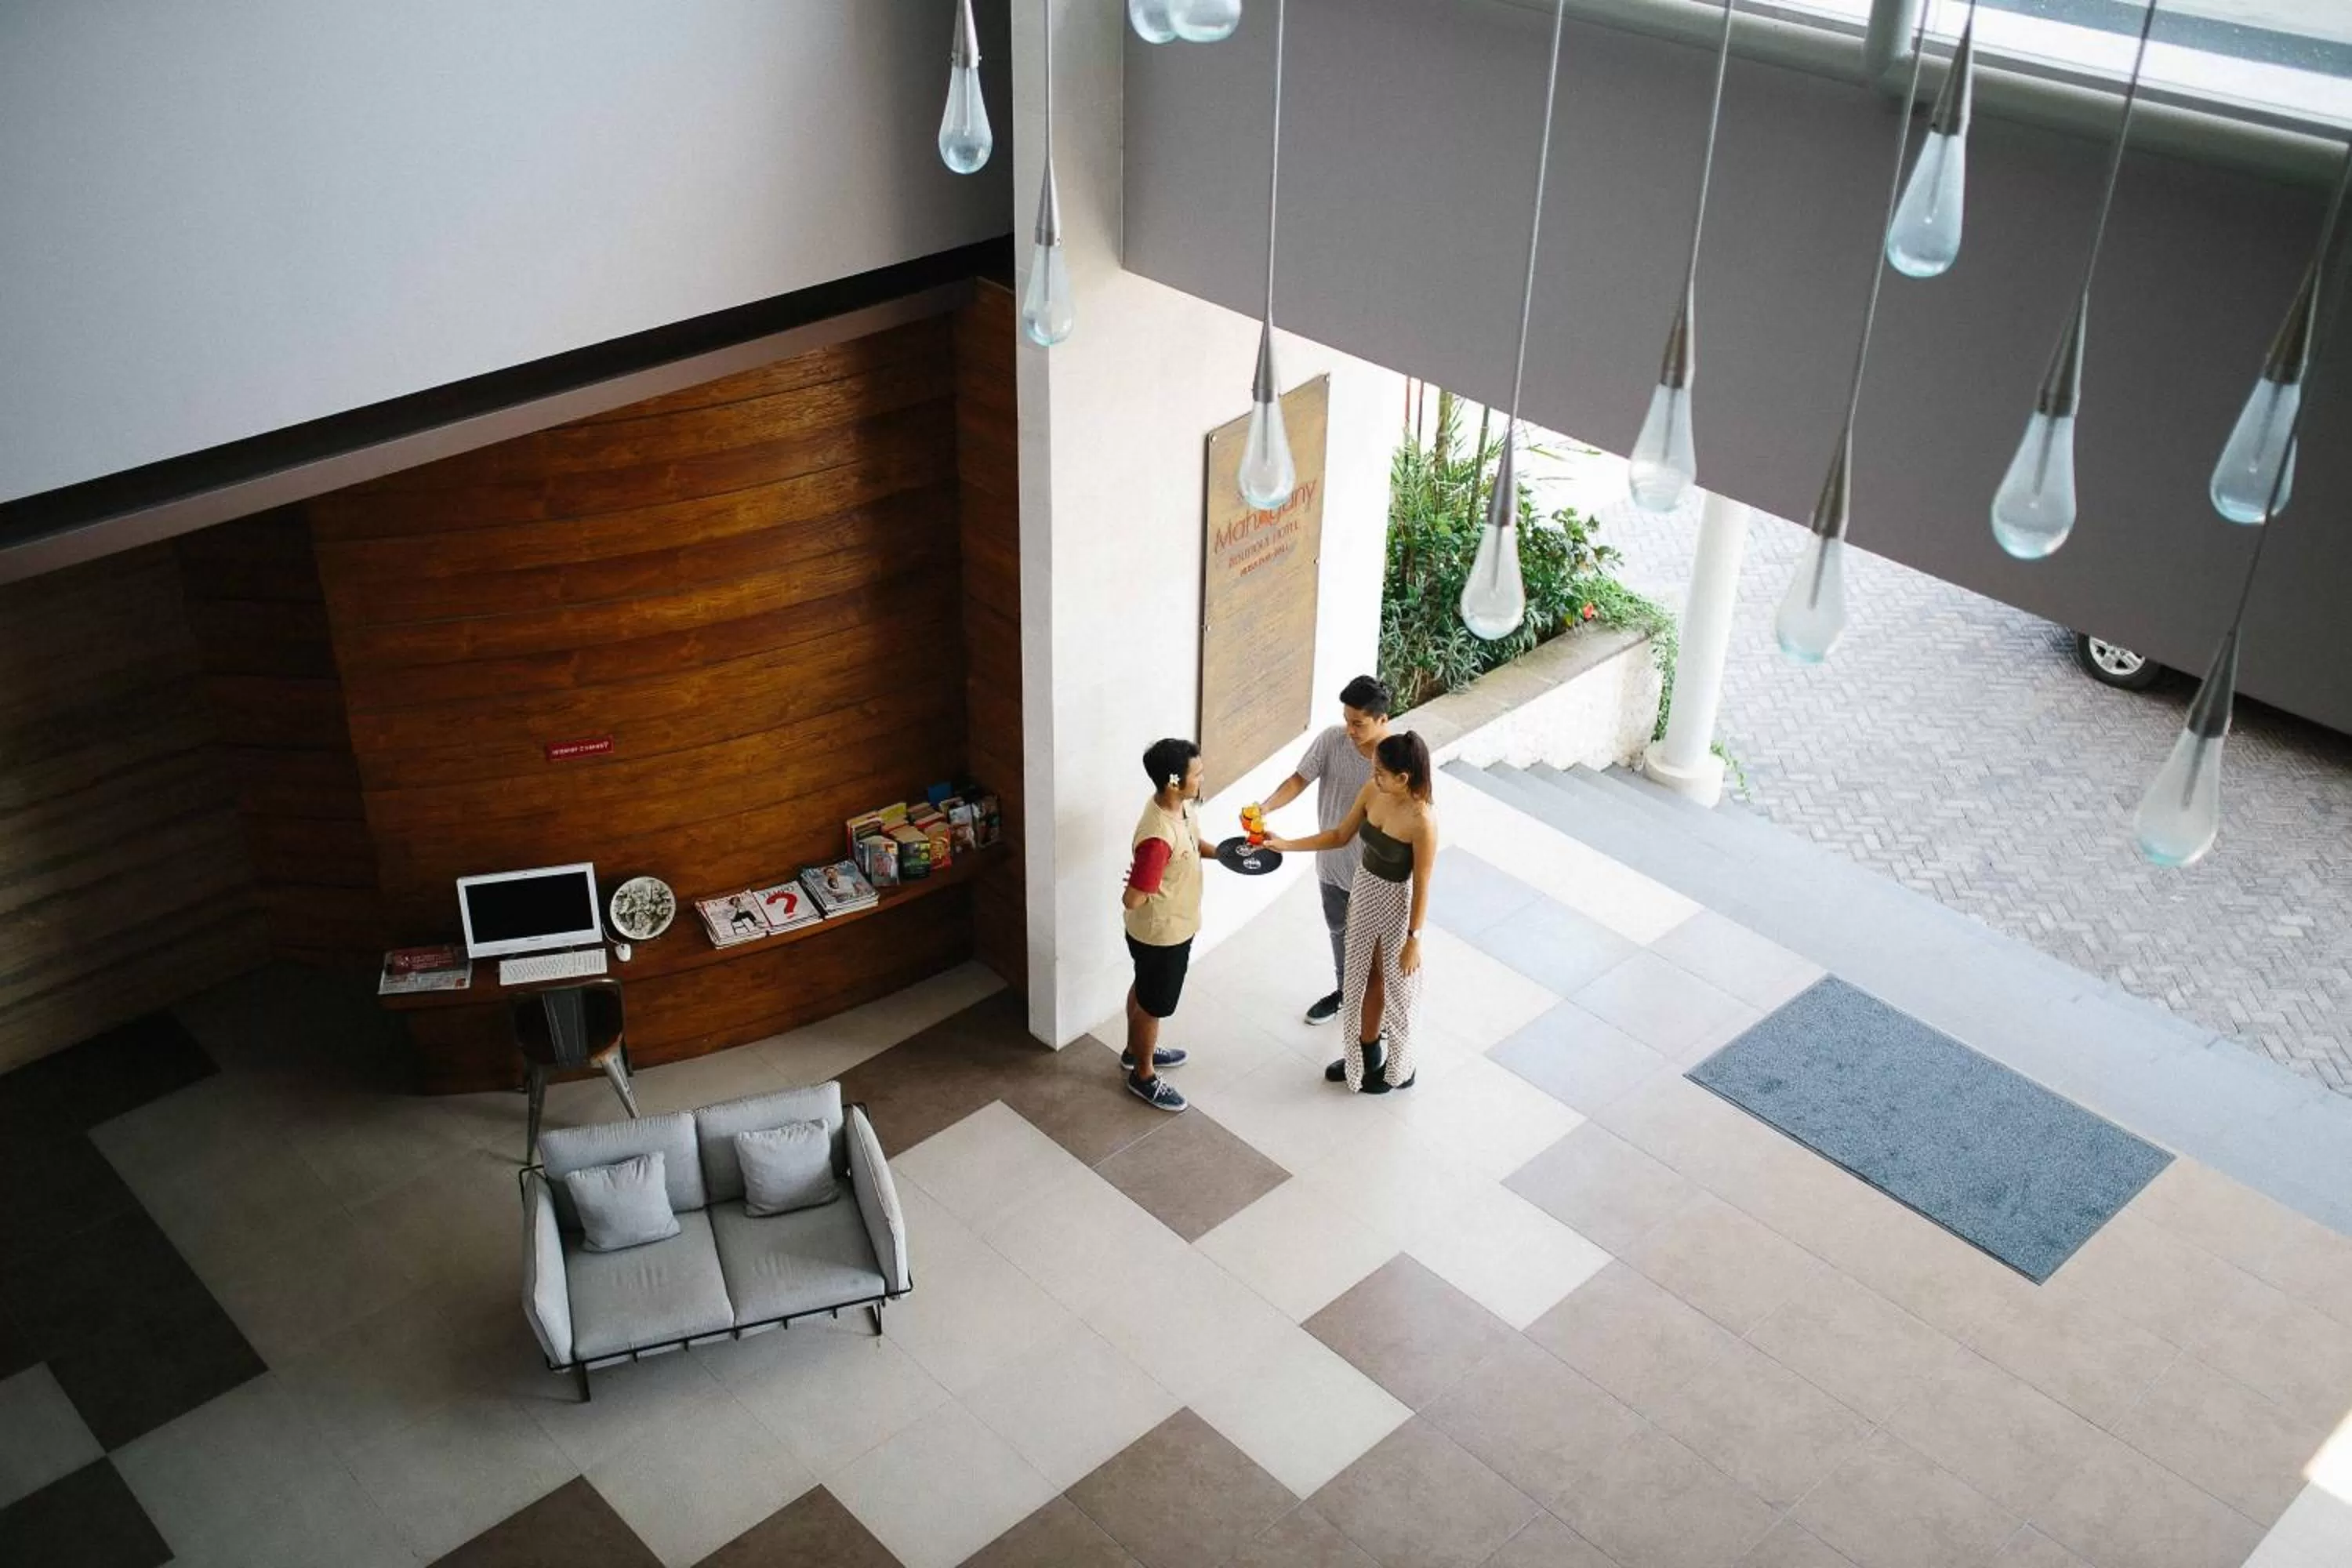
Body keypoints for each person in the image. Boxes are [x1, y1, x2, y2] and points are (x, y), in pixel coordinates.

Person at [1266, 731, 1437, 1093]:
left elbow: (1423, 883)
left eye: (1380, 773)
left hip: (1396, 903)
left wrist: (1414, 939)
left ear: (1403, 778)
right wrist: (1286, 845)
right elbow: (1339, 835)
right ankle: (1365, 1054)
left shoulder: (1422, 821)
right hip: (1365, 891)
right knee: (1363, 978)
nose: (1373, 777)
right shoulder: (1374, 791)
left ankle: (1402, 1065)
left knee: (1399, 988)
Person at [1250, 675, 1392, 1025]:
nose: (1349, 730)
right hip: (1331, 867)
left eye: (1358, 724)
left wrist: (1286, 845)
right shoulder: (1332, 740)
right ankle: (1346, 993)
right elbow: (1298, 779)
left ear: (1382, 720)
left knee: (1377, 954)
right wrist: (1265, 808)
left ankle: (1377, 1016)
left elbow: (1348, 834)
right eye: (1346, 720)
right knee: (1339, 934)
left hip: (1376, 878)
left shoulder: (1395, 765)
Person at [1119, 738, 1203, 1113]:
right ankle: (1144, 1074)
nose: (1201, 779)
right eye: (1196, 774)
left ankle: (1135, 1051)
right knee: (1153, 1006)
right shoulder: (1157, 837)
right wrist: (1144, 879)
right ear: (1173, 782)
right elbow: (1133, 898)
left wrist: (1229, 853)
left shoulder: (1178, 807)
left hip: (1164, 929)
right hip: (1162, 935)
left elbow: (1193, 845)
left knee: (1144, 988)